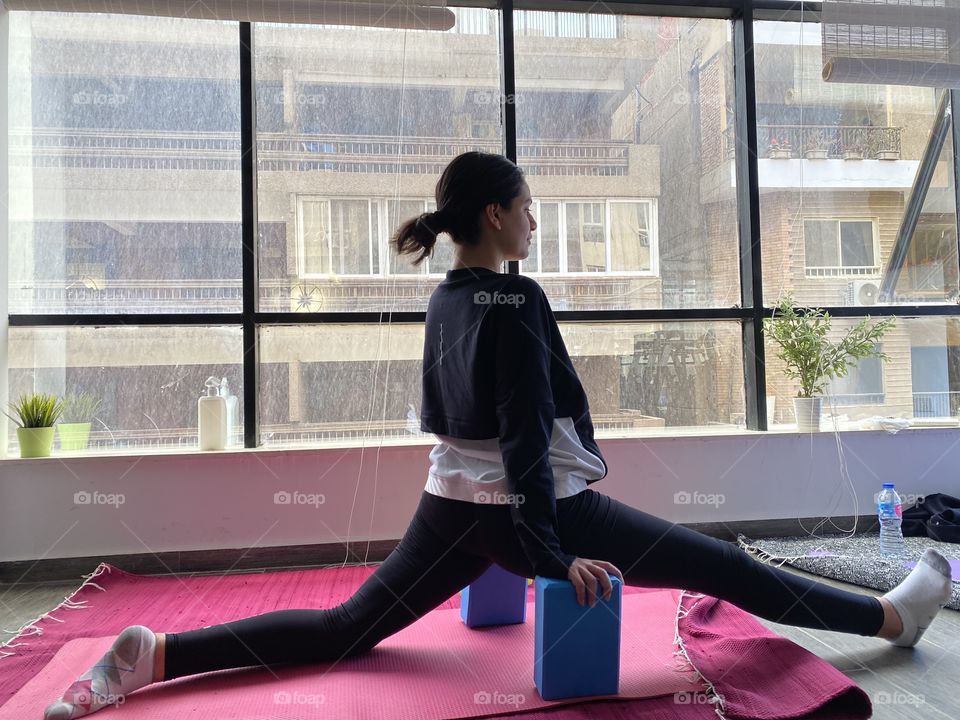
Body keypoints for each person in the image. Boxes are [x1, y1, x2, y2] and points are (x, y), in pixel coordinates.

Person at [44, 151, 954, 719]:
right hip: (535, 514)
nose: (534, 221)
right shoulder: (516, 299)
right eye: (526, 207)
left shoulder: (444, 298)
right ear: (494, 216)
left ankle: (155, 656)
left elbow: (470, 426)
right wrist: (554, 558)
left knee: (347, 626)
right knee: (725, 565)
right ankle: (888, 615)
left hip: (448, 507)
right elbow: (525, 441)